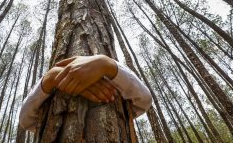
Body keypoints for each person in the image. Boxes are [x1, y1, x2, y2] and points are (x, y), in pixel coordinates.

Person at [19, 55, 152, 132]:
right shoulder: (50, 86)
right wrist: (50, 78)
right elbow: (25, 120)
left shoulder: (115, 75)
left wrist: (106, 64)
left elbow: (144, 100)